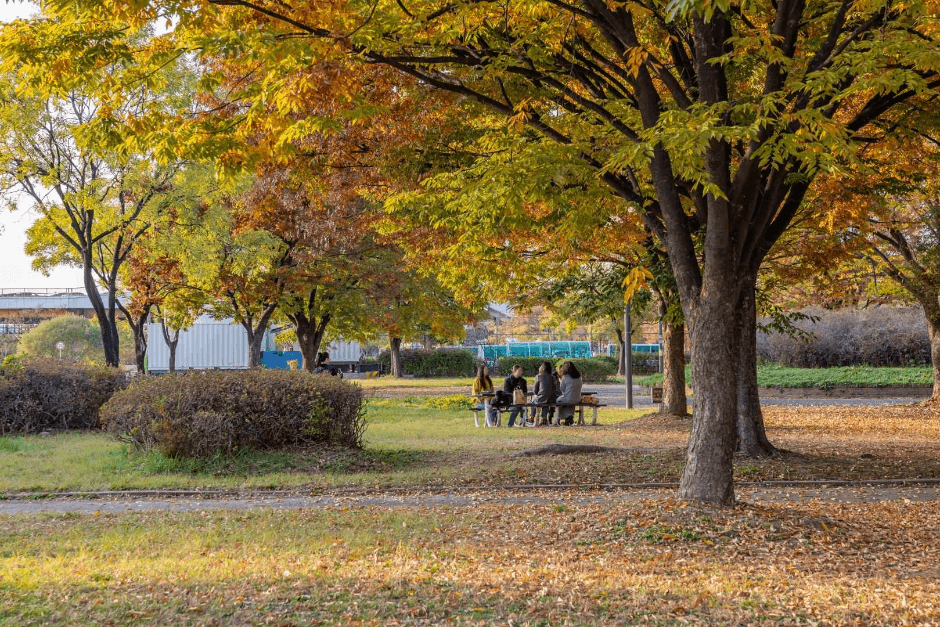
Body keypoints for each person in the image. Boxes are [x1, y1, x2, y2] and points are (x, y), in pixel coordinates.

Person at [556, 361, 583, 426]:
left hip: (568, 398)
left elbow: (562, 389)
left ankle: (559, 418)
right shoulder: (579, 377)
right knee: (570, 402)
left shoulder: (565, 377)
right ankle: (570, 416)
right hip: (578, 399)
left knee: (558, 400)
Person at [532, 360, 557, 426]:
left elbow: (535, 390)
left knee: (533, 402)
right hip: (552, 399)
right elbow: (555, 389)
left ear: (543, 368)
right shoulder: (553, 377)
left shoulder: (539, 376)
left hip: (542, 398)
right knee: (546, 402)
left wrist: (538, 394)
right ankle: (544, 418)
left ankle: (532, 418)